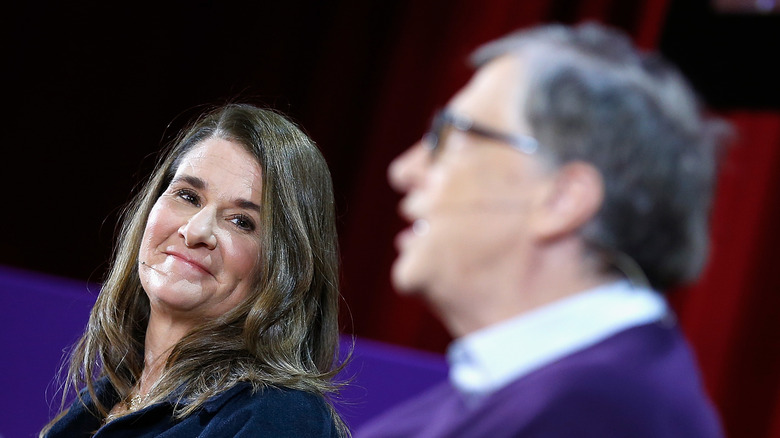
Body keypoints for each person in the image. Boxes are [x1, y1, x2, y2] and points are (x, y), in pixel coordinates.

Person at [356, 22, 728, 437]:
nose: (404, 170)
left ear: (562, 200)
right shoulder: (517, 393)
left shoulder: (601, 416)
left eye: (451, 136)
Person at [41, 103, 347, 437]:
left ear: (286, 269)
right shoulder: (100, 403)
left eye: (242, 221)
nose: (196, 230)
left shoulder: (281, 416)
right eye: (188, 196)